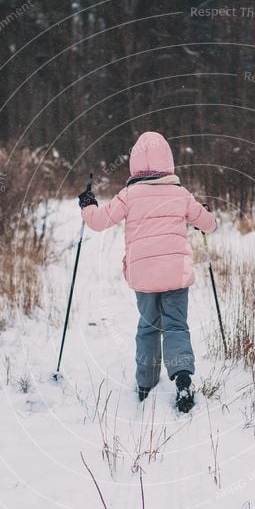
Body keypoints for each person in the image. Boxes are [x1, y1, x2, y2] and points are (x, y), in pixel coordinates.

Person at [77, 131, 217, 413]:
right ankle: (182, 378)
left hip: (144, 277)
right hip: (176, 275)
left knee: (149, 326)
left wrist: (88, 205)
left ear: (135, 163)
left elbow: (99, 222)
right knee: (176, 325)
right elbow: (209, 225)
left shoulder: (128, 195)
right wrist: (204, 212)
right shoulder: (180, 194)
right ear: (168, 161)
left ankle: (145, 384)